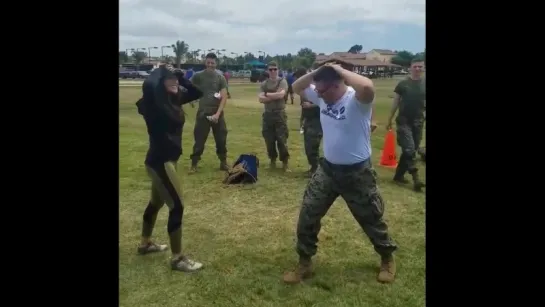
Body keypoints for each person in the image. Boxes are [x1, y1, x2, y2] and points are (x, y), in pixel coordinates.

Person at [284, 63, 397, 284]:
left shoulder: (357, 101)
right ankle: (305, 262)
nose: (316, 94)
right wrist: (318, 73)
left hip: (357, 173)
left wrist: (338, 69)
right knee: (308, 213)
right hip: (327, 170)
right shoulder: (323, 96)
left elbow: (368, 86)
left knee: (371, 218)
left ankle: (387, 257)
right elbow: (297, 87)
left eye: (322, 90)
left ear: (336, 85)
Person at [135, 64, 204, 272]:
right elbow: (148, 85)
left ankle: (145, 243)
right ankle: (177, 258)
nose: (174, 82)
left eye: (175, 79)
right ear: (160, 82)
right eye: (169, 79)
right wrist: (161, 69)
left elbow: (196, 92)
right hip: (160, 162)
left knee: (156, 203)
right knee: (177, 206)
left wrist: (180, 77)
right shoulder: (152, 103)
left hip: (168, 161)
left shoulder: (173, 98)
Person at [386, 58, 426, 192]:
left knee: (411, 150)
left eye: (420, 67)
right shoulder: (403, 84)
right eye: (415, 66)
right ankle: (416, 179)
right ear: (410, 68)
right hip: (404, 121)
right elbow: (396, 102)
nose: (418, 69)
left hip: (419, 122)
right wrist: (389, 119)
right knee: (409, 148)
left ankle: (398, 176)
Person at [189, 53, 229, 172]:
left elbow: (224, 97)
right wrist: (191, 98)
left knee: (221, 139)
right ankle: (194, 164)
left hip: (217, 113)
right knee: (199, 140)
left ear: (216, 63)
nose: (210, 65)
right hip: (203, 113)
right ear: (205, 63)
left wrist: (217, 114)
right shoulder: (198, 76)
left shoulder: (220, 78)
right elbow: (188, 86)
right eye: (208, 63)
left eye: (212, 63)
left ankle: (223, 162)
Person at [258, 61, 291, 172]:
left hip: (279, 114)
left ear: (278, 70)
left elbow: (281, 95)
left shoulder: (282, 81)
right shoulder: (264, 83)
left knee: (282, 139)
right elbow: (260, 99)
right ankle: (272, 160)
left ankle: (285, 162)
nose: (273, 71)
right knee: (269, 140)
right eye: (271, 69)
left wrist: (267, 94)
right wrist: (274, 95)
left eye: (275, 69)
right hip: (268, 114)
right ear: (268, 70)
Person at [295, 68, 322, 176]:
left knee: (312, 146)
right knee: (308, 146)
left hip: (317, 121)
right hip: (308, 120)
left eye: (298, 79)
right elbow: (303, 108)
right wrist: (302, 120)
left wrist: (311, 105)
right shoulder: (303, 91)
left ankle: (316, 169)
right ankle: (313, 168)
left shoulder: (314, 90)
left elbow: (325, 103)